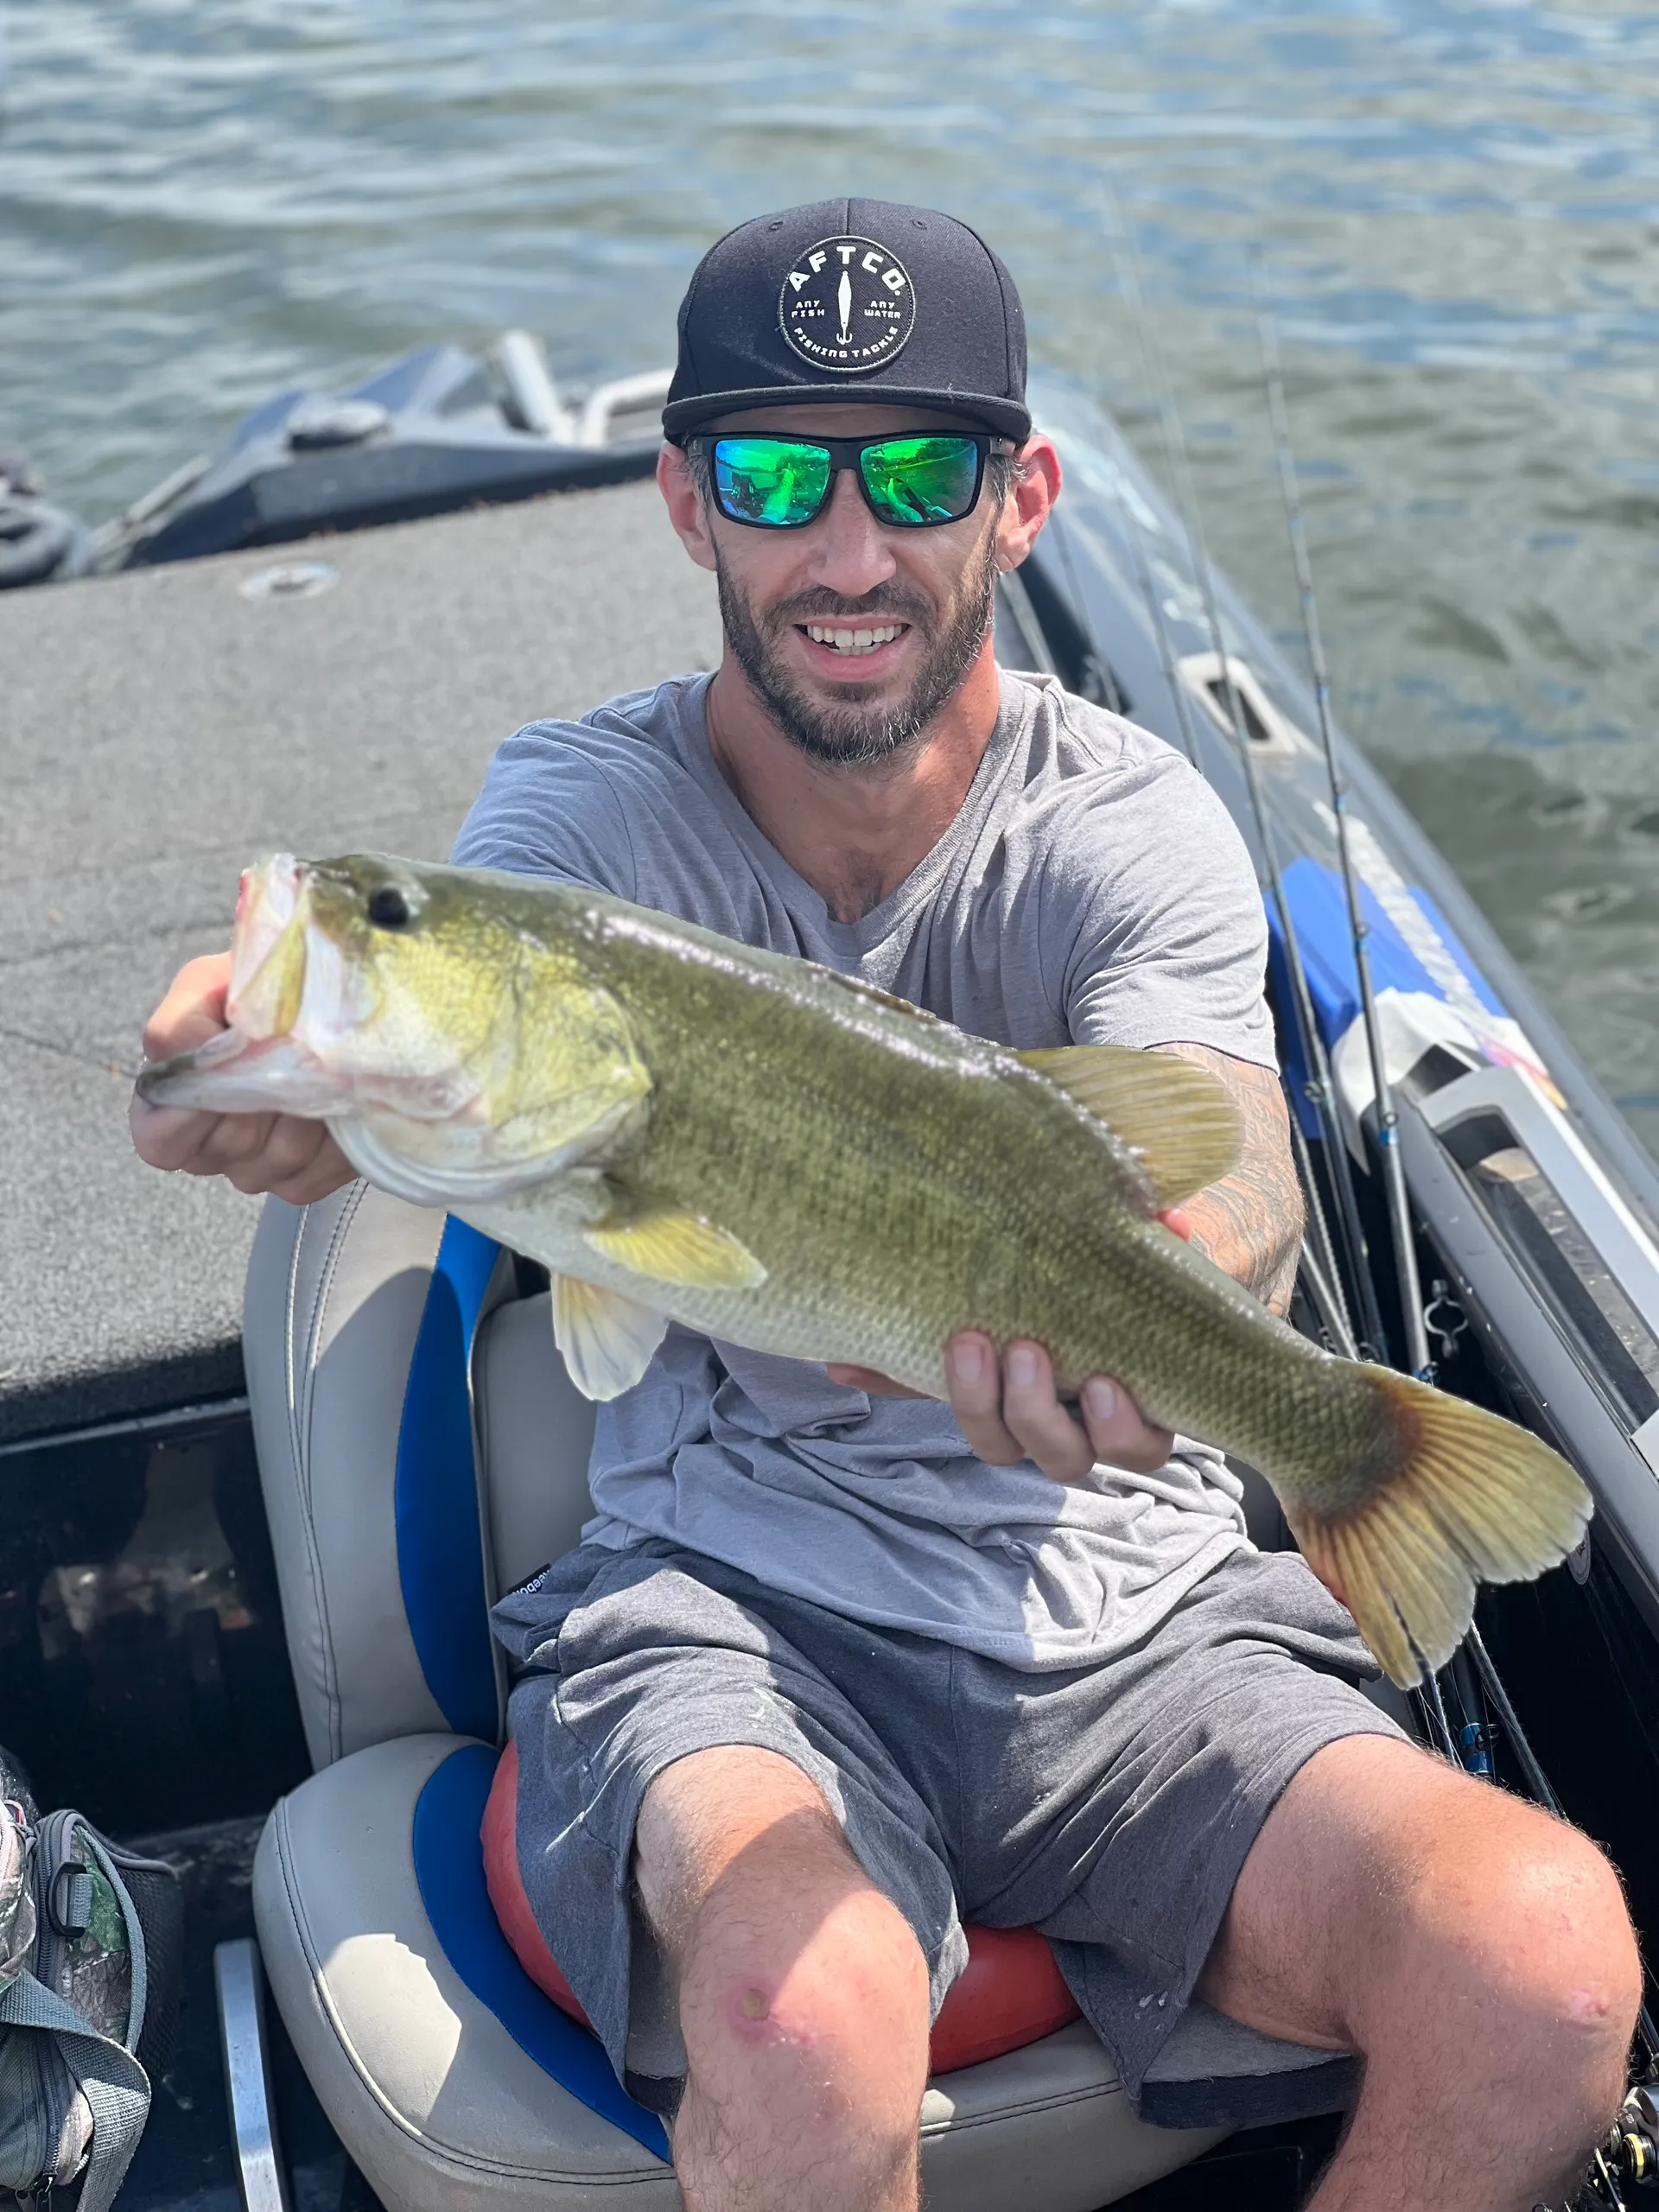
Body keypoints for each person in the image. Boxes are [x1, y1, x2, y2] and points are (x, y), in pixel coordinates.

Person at [132, 200, 1639, 2212]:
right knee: (806, 2011)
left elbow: (1223, 1148)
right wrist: (290, 1086)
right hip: (736, 1611)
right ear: (685, 500)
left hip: (1135, 1613)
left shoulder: (1135, 821)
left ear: (1022, 498)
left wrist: (1201, 1309)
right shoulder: (575, 823)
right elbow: (431, 1099)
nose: (847, 551)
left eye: (917, 471)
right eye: (774, 473)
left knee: (1544, 1965)